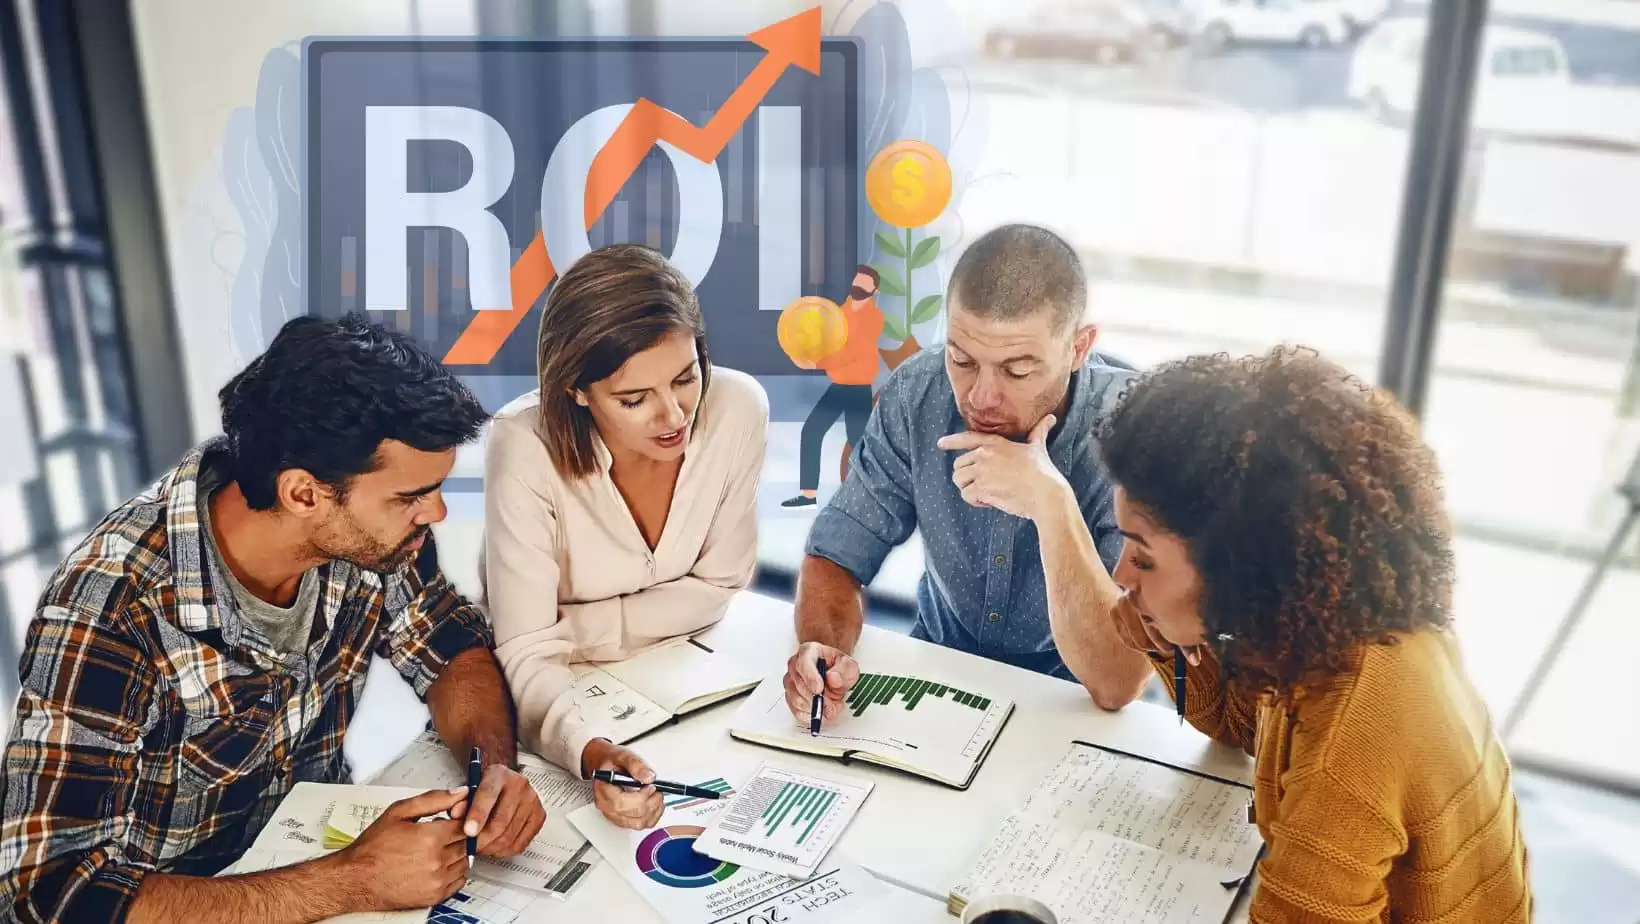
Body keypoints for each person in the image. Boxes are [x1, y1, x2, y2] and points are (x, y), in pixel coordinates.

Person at [0, 314, 547, 924]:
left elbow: (448, 646)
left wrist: (491, 770)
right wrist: (351, 882)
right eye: (410, 496)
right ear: (303, 493)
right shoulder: (111, 608)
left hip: (319, 854)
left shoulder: (378, 542)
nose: (436, 512)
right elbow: (47, 891)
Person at [1101, 346, 1531, 922]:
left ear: (1239, 563)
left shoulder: (1357, 725)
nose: (1120, 575)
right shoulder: (1319, 633)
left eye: (1143, 557)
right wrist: (1167, 640)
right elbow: (1240, 726)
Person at [783, 223, 1153, 726]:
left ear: (1078, 348)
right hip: (939, 675)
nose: (980, 397)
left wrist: (1051, 505)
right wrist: (822, 651)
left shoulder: (1138, 432)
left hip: (1074, 702)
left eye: (1017, 371)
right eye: (962, 359)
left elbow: (1117, 682)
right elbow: (835, 555)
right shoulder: (918, 394)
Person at [483, 244, 768, 829]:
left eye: (685, 378)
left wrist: (571, 629)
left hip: (696, 686)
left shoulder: (738, 409)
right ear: (577, 390)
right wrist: (591, 751)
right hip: (567, 703)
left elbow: (720, 587)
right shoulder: (523, 447)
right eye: (634, 399)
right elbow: (526, 657)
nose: (674, 417)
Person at [782, 264, 884, 508]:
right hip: (838, 386)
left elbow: (851, 351)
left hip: (858, 389)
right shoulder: (839, 313)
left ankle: (869, 498)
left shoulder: (874, 318)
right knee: (811, 431)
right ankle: (808, 495)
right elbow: (827, 339)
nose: (857, 292)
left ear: (875, 293)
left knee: (858, 443)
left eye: (863, 290)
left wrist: (816, 363)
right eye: (855, 286)